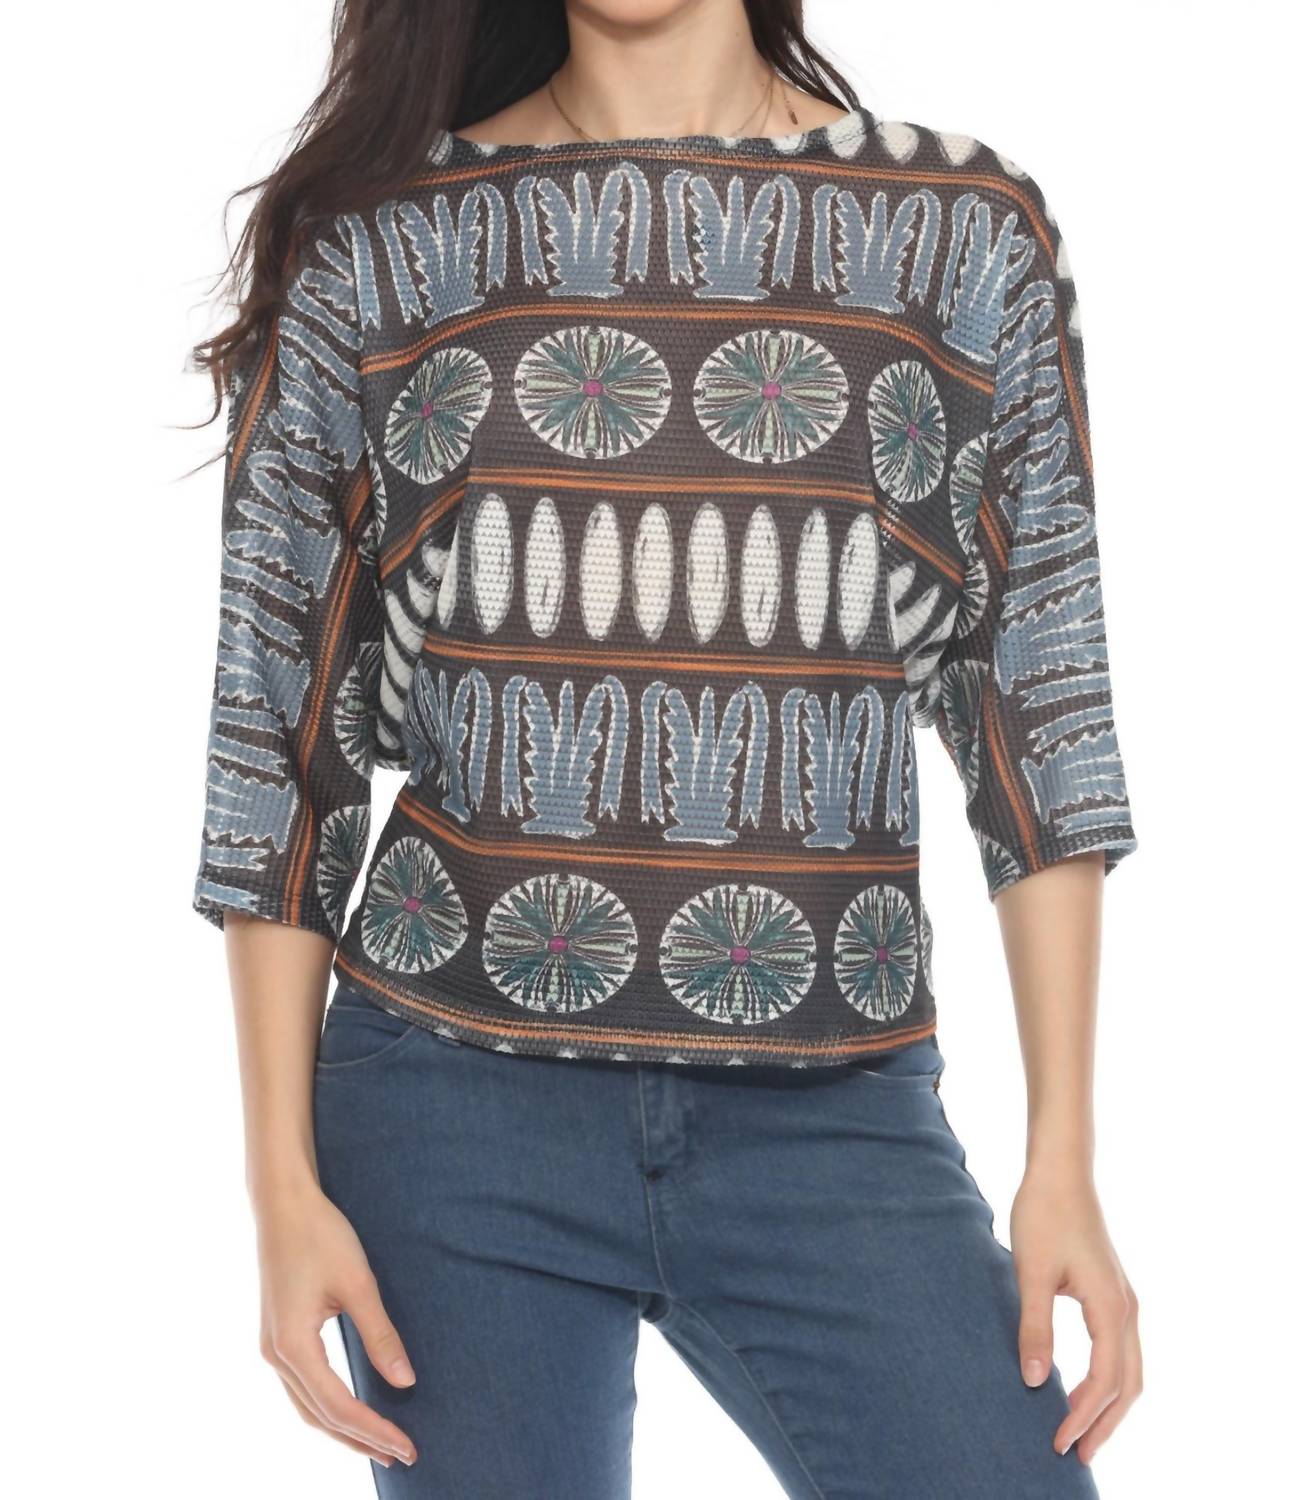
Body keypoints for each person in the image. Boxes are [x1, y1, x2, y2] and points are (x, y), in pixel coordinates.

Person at [190, 1, 1143, 1494]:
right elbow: (276, 738)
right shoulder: (380, 243)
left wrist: (1063, 1158)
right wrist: (279, 1186)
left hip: (837, 1109)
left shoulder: (959, 233)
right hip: (452, 1109)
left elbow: (1041, 702)